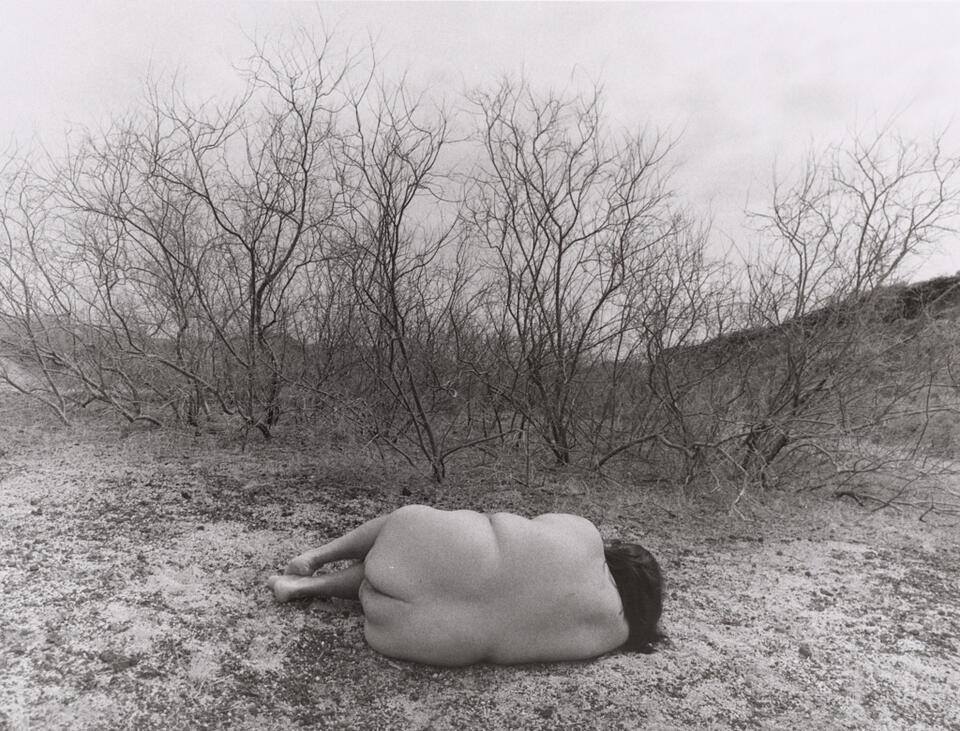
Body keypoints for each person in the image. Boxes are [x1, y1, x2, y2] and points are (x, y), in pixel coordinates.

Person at [268, 504, 663, 666]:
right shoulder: (616, 632)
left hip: (409, 556)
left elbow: (521, 528)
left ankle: (314, 561)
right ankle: (304, 589)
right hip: (407, 634)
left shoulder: (586, 534)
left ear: (619, 557)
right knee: (438, 581)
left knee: (412, 533)